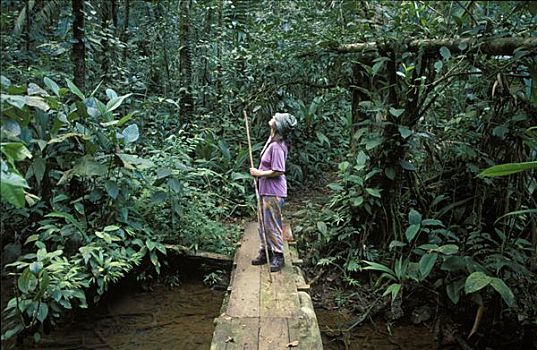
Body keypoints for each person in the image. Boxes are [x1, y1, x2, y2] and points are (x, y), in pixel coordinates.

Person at [249, 112, 297, 272]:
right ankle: (266, 251)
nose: (273, 117)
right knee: (263, 222)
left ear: (277, 126)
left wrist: (258, 173)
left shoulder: (277, 146)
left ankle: (278, 255)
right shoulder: (272, 140)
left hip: (274, 191)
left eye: (276, 118)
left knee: (272, 223)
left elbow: (278, 170)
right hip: (264, 189)